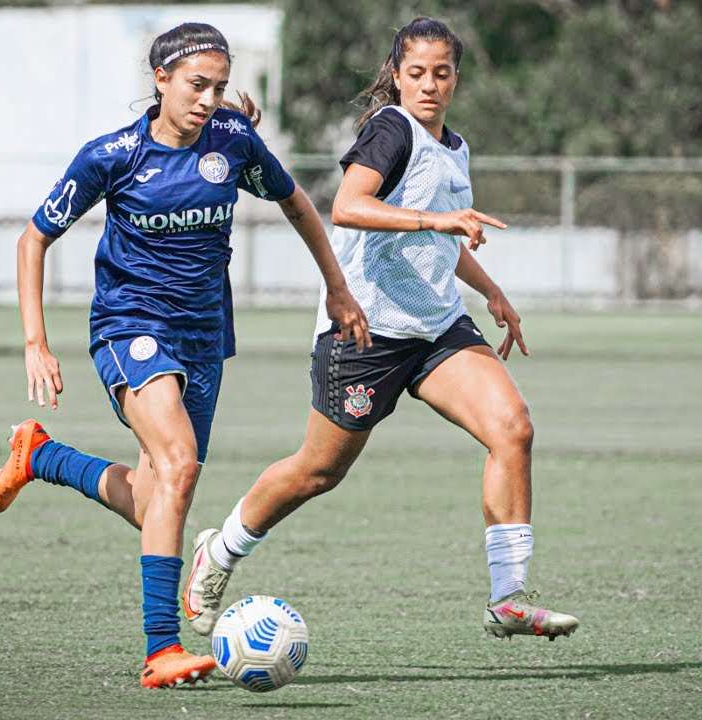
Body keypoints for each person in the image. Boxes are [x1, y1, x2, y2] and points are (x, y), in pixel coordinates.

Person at [0, 23, 369, 688]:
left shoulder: (232, 142)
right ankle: (161, 647)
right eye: (197, 84)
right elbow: (32, 240)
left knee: (153, 500)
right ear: (159, 80)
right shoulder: (112, 155)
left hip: (204, 337)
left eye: (218, 86)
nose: (208, 98)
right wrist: (35, 342)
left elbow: (298, 205)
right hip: (129, 326)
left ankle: (40, 455)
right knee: (180, 465)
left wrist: (337, 287)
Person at [182, 17, 580, 643]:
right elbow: (349, 207)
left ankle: (508, 597)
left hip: (437, 326)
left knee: (513, 428)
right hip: (366, 331)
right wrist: (436, 221)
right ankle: (221, 552)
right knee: (318, 472)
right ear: (396, 76)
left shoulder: (455, 147)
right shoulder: (389, 129)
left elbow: (445, 236)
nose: (429, 85)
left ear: (456, 79)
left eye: (441, 73)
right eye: (416, 73)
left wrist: (491, 291)